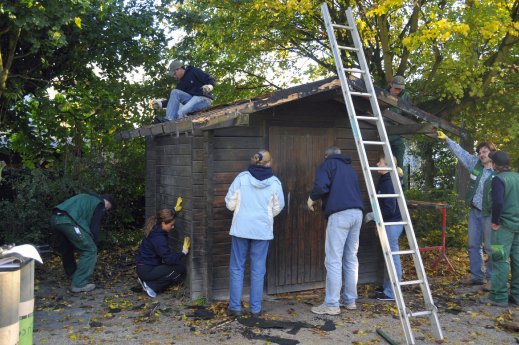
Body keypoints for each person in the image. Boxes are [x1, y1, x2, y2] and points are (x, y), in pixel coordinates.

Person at [225, 150, 285, 317]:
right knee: (258, 269)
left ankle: (235, 308)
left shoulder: (241, 178)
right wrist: (265, 216)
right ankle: (255, 309)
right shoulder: (275, 183)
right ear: (269, 163)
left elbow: (230, 204)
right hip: (262, 230)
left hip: (241, 229)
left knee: (237, 267)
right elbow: (278, 207)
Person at [307, 146, 364, 315]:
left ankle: (331, 304)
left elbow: (321, 187)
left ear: (326, 156)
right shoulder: (349, 167)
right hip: (357, 214)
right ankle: (350, 300)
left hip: (340, 215)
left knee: (333, 260)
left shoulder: (327, 165)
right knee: (351, 258)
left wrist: (311, 199)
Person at [437, 130, 496, 287]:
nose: (482, 154)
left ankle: (491, 279)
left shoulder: (499, 172)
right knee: (473, 244)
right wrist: (448, 140)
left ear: (492, 153)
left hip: (490, 214)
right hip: (475, 211)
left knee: (491, 247)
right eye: (480, 152)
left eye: (485, 151)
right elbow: (461, 153)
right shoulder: (475, 164)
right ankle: (477, 276)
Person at [50, 193, 113, 293]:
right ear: (107, 202)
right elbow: (94, 227)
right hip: (68, 221)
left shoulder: (86, 197)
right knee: (90, 250)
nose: (106, 209)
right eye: (109, 207)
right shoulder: (100, 203)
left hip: (56, 218)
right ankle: (79, 284)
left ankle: (73, 274)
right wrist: (94, 243)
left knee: (67, 247)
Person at [480, 151, 519, 307]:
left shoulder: (498, 179)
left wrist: (495, 221)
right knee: (517, 260)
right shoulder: (517, 177)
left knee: (499, 259)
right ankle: (516, 295)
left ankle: (498, 296)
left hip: (503, 227)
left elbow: (498, 203)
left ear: (495, 164)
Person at [364, 155, 404, 301]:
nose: (376, 164)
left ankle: (392, 293)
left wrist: (374, 215)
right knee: (390, 258)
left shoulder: (389, 182)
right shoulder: (387, 179)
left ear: (387, 166)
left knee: (393, 258)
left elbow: (389, 209)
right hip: (391, 223)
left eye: (379, 162)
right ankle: (388, 288)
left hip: (392, 224)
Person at [135, 208, 190, 298]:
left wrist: (174, 210)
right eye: (171, 225)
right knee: (180, 270)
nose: (173, 227)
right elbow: (168, 260)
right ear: (163, 223)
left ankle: (146, 280)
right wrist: (183, 252)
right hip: (147, 270)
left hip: (143, 267)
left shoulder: (156, 226)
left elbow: (163, 216)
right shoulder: (159, 238)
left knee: (173, 267)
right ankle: (151, 285)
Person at [386, 75, 411, 168]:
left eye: (400, 89)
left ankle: (400, 180)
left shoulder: (406, 96)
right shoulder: (382, 93)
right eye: (396, 88)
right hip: (385, 131)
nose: (397, 91)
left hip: (398, 133)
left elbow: (409, 113)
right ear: (390, 85)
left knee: (399, 160)